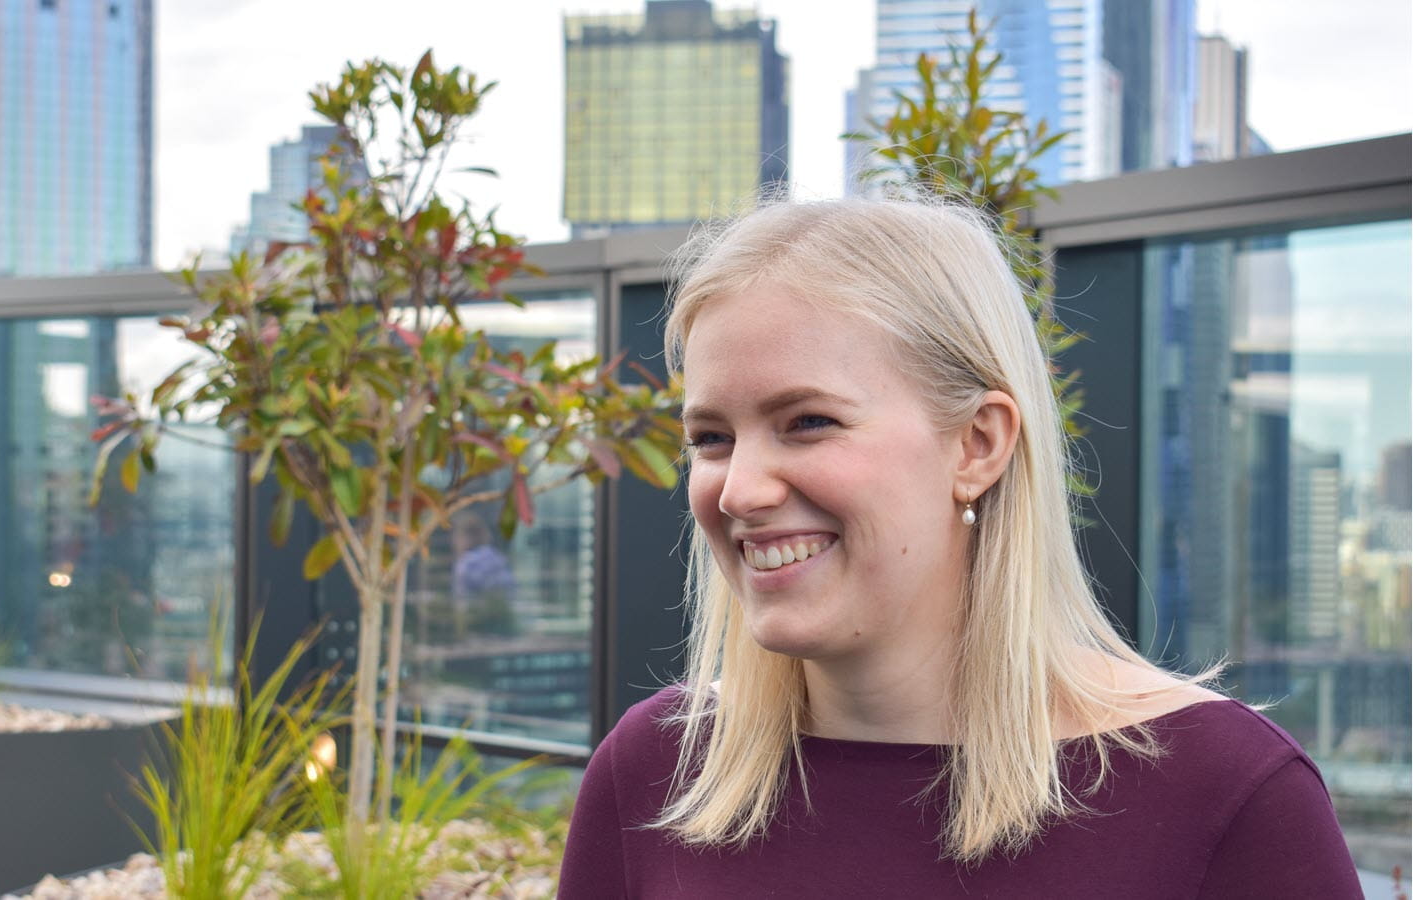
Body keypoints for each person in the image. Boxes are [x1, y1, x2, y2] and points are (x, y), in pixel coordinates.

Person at [558, 197, 1362, 899]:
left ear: (978, 444)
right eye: (711, 437)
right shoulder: (654, 771)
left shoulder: (1225, 794)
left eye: (808, 421)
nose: (739, 491)